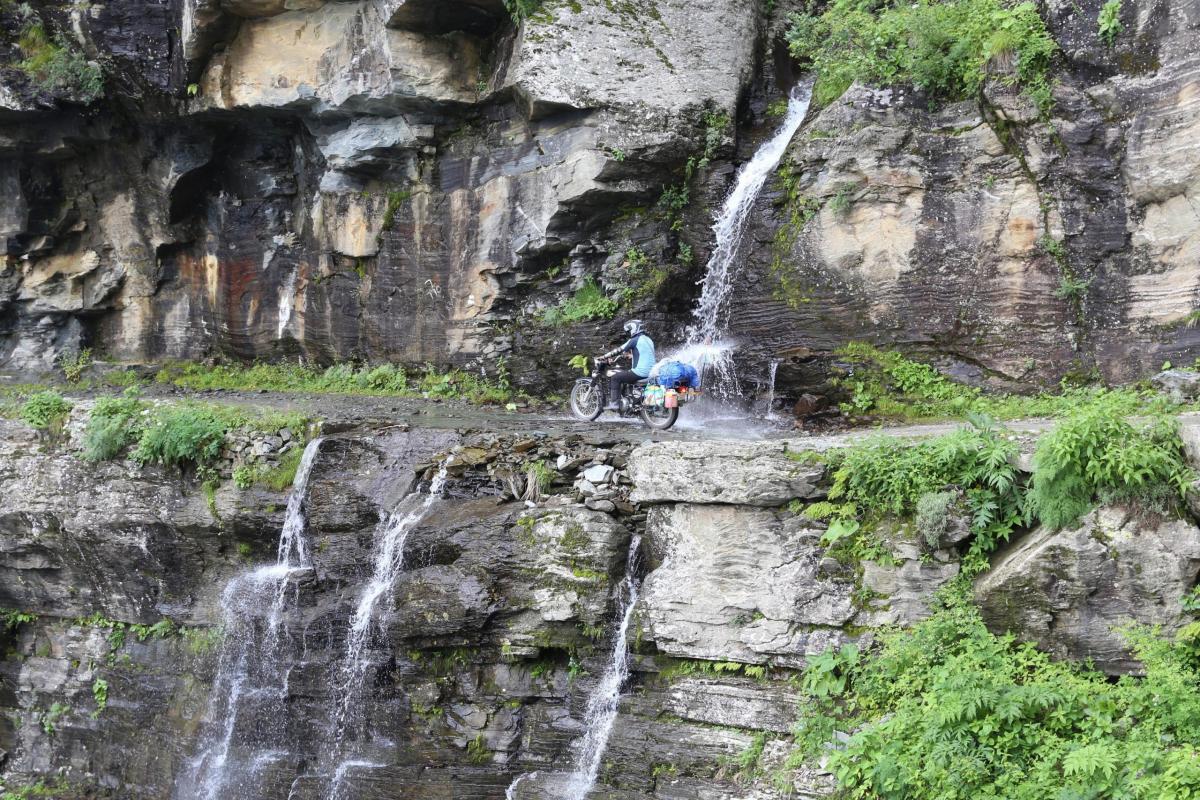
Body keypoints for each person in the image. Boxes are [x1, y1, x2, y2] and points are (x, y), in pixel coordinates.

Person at [600, 319, 655, 410]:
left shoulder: (635, 340)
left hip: (640, 372)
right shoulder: (648, 340)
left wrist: (604, 356)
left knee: (615, 377)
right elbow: (645, 354)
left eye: (629, 331)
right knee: (625, 375)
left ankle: (615, 404)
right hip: (651, 372)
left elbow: (619, 350)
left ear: (633, 329)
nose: (629, 333)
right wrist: (631, 355)